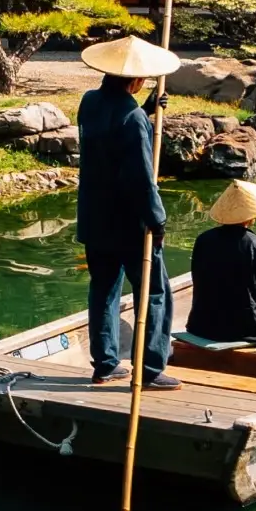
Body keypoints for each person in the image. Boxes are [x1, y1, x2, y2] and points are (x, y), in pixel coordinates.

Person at [76, 33, 182, 390]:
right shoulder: (133, 119)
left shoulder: (88, 102)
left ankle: (105, 364)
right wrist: (158, 219)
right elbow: (139, 178)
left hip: (94, 219)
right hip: (129, 224)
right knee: (153, 294)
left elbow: (110, 132)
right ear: (135, 81)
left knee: (103, 290)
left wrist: (147, 109)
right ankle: (151, 369)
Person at [188, 179, 256, 345]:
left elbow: (197, 279)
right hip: (246, 329)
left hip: (201, 325)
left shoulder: (203, 240)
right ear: (251, 216)